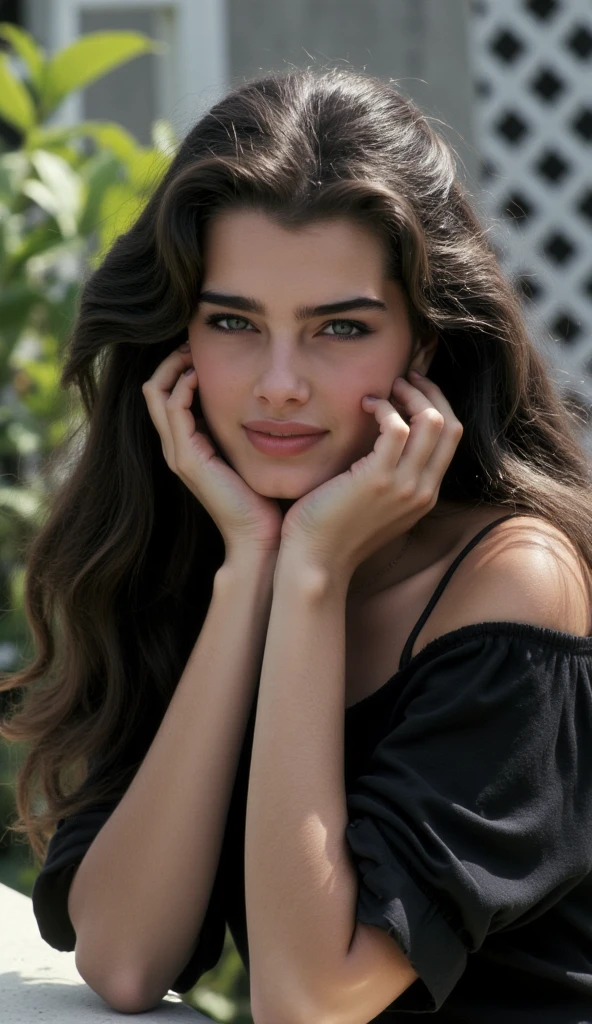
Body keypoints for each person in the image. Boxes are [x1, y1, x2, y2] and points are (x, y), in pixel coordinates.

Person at [1, 66, 592, 1022]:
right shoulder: (203, 549)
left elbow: (311, 999)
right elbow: (124, 957)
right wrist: (253, 574)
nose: (279, 383)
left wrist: (311, 577)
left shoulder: (513, 582)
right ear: (178, 344)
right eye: (234, 321)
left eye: (339, 328)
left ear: (424, 351)